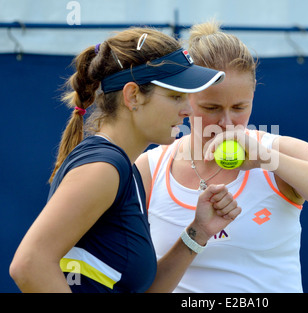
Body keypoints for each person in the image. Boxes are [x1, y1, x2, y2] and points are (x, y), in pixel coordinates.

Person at [135, 20, 308, 293]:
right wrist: (196, 234)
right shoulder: (150, 168)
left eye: (240, 107)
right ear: (184, 99)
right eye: (211, 107)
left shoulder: (277, 152)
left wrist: (268, 159)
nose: (227, 122)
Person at [9, 27, 242, 293]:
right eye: (176, 96)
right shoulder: (104, 168)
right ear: (133, 96)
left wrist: (198, 231)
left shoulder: (124, 170)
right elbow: (29, 265)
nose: (188, 110)